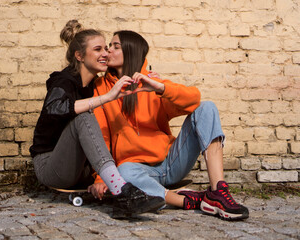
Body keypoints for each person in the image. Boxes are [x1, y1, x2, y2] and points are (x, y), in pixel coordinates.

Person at [89, 30, 249, 220]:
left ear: (131, 51)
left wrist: (160, 87)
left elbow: (193, 100)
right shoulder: (101, 87)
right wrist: (101, 177)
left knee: (207, 108)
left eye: (115, 47)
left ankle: (217, 192)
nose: (108, 52)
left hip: (171, 162)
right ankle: (186, 200)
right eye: (109, 46)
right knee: (123, 173)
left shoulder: (151, 82)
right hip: (136, 168)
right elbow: (100, 136)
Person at [29, 21, 165, 215]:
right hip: (51, 166)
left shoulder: (95, 85)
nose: (105, 53)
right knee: (84, 117)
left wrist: (147, 77)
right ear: (80, 56)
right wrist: (108, 97)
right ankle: (122, 193)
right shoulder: (63, 81)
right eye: (98, 49)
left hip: (83, 168)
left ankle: (127, 187)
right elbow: (56, 108)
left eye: (106, 48)